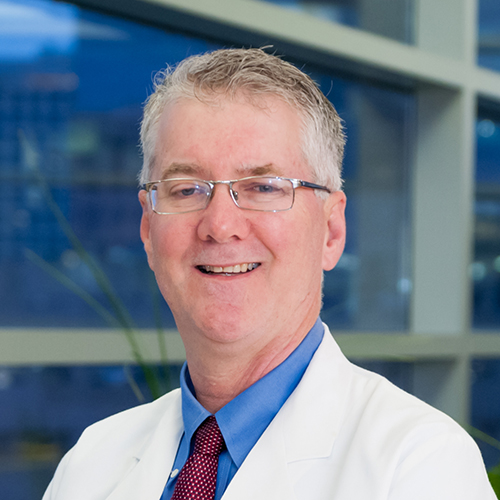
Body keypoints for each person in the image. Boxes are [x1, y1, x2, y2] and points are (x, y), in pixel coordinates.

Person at [42, 48, 495, 500]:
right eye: (187, 189)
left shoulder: (422, 465)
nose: (220, 225)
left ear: (331, 231)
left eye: (263, 187)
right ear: (147, 228)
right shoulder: (90, 464)